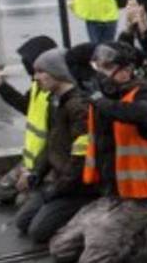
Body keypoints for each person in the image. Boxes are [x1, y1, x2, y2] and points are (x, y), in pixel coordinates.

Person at [49, 41, 147, 263]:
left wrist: (100, 100)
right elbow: (74, 58)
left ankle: (140, 236)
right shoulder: (103, 95)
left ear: (126, 70)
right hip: (112, 194)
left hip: (140, 198)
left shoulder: (144, 94)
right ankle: (112, 232)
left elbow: (142, 113)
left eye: (107, 66)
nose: (100, 72)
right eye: (98, 65)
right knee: (60, 249)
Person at [12, 49, 94, 243]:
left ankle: (86, 207)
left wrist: (56, 189)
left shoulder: (77, 107)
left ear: (57, 73)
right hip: (60, 180)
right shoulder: (57, 102)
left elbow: (80, 162)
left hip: (75, 187)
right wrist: (36, 175)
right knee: (22, 221)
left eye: (41, 71)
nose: (36, 77)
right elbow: (52, 146)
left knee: (37, 232)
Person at [0, 35, 58, 206]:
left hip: (48, 164)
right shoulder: (38, 85)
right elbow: (26, 106)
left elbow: (54, 143)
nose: (27, 66)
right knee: (1, 192)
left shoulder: (55, 92)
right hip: (30, 162)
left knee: (22, 202)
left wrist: (36, 172)